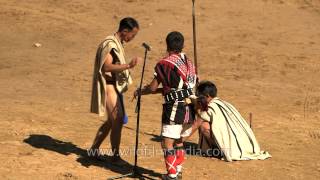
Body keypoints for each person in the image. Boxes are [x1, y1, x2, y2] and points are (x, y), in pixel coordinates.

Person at [135, 31, 197, 180]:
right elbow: (181, 89)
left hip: (175, 109)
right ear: (182, 45)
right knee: (179, 140)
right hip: (190, 108)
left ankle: (172, 175)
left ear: (167, 45)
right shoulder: (189, 63)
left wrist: (141, 91)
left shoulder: (165, 64)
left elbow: (152, 87)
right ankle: (178, 170)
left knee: (167, 142)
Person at [90, 17, 140, 163]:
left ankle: (94, 149)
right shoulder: (111, 45)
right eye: (133, 35)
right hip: (108, 85)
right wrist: (128, 66)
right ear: (125, 31)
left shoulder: (116, 43)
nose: (132, 38)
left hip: (113, 86)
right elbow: (106, 67)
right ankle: (116, 156)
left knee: (113, 121)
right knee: (117, 120)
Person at [187, 81, 271, 161]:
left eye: (201, 97)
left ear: (207, 96)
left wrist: (178, 142)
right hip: (249, 146)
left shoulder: (210, 107)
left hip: (234, 150)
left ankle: (218, 152)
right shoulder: (225, 104)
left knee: (204, 125)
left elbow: (196, 125)